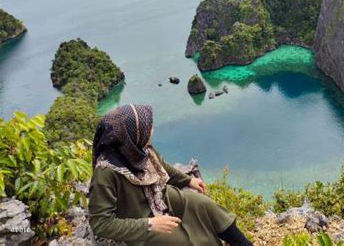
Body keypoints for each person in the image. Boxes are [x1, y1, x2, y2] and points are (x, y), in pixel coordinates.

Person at [88, 104, 252, 245]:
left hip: (161, 197)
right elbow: (100, 223)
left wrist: (188, 180)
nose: (152, 130)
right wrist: (149, 224)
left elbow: (162, 167)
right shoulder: (106, 172)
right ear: (132, 134)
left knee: (203, 204)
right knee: (182, 241)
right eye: (147, 128)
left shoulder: (139, 149)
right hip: (140, 218)